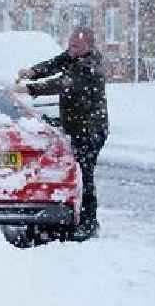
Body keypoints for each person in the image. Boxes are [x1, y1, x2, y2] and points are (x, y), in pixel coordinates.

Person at [14, 27, 108, 240]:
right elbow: (54, 64)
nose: (70, 48)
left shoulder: (89, 66)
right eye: (70, 44)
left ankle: (89, 223)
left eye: (75, 45)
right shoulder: (74, 56)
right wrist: (33, 71)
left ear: (88, 46)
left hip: (91, 129)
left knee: (84, 174)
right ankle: (80, 217)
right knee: (77, 172)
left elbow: (61, 83)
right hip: (78, 127)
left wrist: (29, 89)